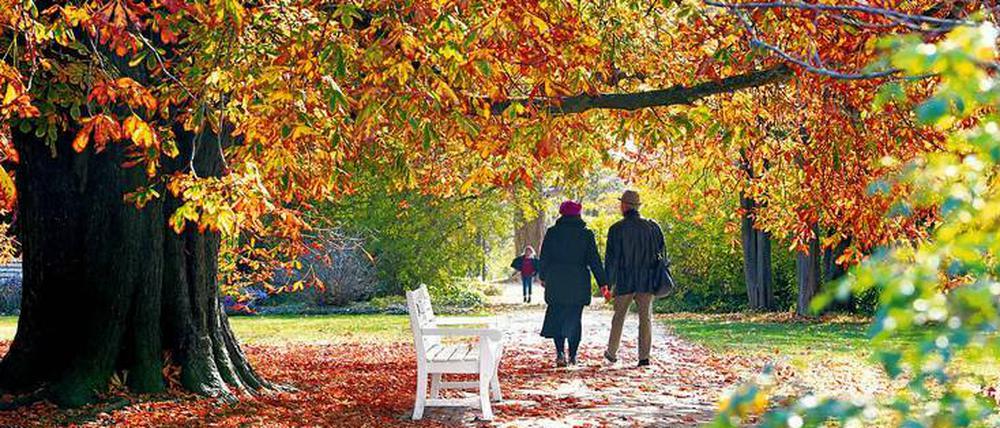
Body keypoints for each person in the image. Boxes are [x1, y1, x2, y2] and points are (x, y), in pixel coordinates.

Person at [538, 200, 608, 367]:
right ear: (578, 214)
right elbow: (594, 260)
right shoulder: (586, 234)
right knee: (575, 319)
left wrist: (543, 276)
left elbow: (544, 256)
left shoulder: (552, 232)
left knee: (557, 316)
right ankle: (573, 356)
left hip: (556, 280)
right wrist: (603, 282)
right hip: (578, 281)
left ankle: (560, 353)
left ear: (561, 214)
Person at [602, 190, 665, 367]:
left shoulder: (616, 229)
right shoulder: (652, 227)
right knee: (645, 318)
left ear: (624, 206)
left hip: (625, 279)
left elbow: (611, 259)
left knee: (619, 317)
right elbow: (661, 252)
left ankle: (612, 353)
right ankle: (643, 357)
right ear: (637, 206)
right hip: (647, 279)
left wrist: (607, 283)